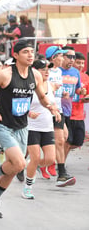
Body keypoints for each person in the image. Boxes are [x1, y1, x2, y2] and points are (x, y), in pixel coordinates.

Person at [0, 40, 61, 218]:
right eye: (25, 52)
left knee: (14, 168)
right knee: (20, 163)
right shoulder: (5, 74)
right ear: (16, 55)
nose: (30, 55)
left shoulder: (36, 75)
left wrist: (51, 107)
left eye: (32, 51)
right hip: (4, 126)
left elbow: (41, 96)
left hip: (22, 127)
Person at [23, 59, 56, 199]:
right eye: (43, 69)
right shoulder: (28, 86)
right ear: (34, 71)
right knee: (35, 157)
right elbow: (20, 105)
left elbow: (53, 104)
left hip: (47, 127)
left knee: (49, 159)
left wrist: (57, 113)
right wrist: (29, 113)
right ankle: (28, 187)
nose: (47, 71)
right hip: (32, 127)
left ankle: (29, 167)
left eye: (48, 68)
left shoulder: (51, 85)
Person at [41, 46, 71, 183]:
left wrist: (63, 93)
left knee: (64, 137)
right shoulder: (44, 71)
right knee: (58, 141)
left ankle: (49, 165)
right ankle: (60, 172)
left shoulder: (59, 71)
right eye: (60, 55)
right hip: (47, 110)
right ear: (53, 57)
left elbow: (59, 88)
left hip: (58, 109)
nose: (63, 58)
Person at [62, 49, 87, 177]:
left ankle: (58, 154)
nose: (81, 65)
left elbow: (81, 92)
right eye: (78, 62)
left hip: (79, 114)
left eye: (83, 63)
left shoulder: (84, 76)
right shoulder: (64, 73)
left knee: (77, 142)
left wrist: (84, 96)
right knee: (67, 141)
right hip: (67, 113)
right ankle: (61, 165)